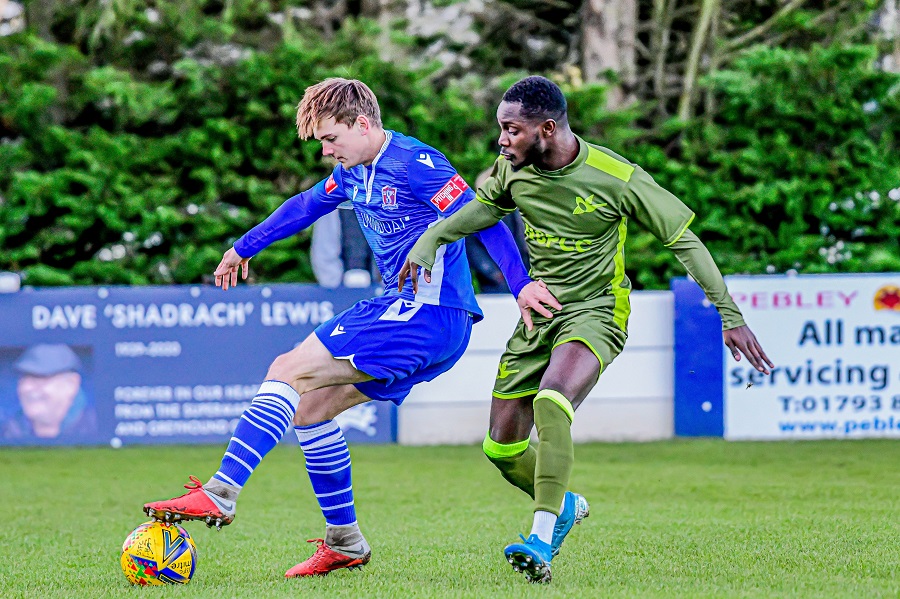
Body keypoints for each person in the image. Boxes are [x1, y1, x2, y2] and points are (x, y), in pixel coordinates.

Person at [142, 78, 559, 578]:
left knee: (287, 369)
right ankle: (345, 542)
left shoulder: (416, 164)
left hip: (427, 313)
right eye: (321, 141)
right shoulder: (353, 173)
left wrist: (519, 287)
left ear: (363, 124)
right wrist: (242, 248)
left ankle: (221, 493)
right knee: (311, 411)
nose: (326, 150)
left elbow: (484, 218)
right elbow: (303, 207)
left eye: (331, 138)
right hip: (411, 314)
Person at [400, 76, 774, 584]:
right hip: (541, 313)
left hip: (598, 309)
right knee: (502, 449)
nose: (502, 140)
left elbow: (685, 242)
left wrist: (730, 316)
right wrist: (429, 242)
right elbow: (480, 212)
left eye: (511, 130)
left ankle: (540, 537)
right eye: (501, 130)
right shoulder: (511, 170)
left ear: (547, 130)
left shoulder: (615, 177)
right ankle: (566, 502)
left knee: (552, 404)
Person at [2, 344, 96, 441]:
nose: (28, 388)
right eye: (25, 379)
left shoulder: (95, 425)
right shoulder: (8, 431)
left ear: (71, 384)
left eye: (41, 378)